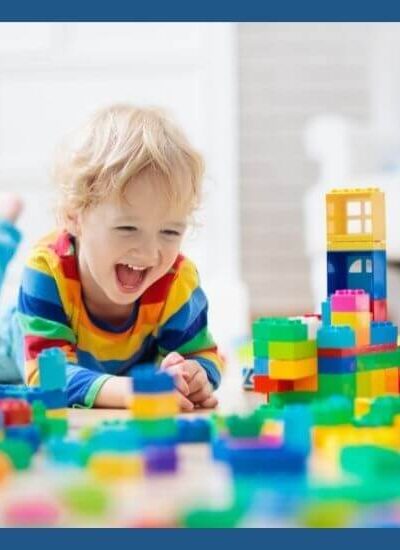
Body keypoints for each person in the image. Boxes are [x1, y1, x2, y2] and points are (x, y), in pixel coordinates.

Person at [16, 105, 224, 409]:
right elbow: (47, 377)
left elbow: (203, 356)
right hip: (14, 342)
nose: (150, 253)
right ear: (74, 217)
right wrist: (132, 392)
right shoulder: (47, 271)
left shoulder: (176, 280)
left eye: (169, 232)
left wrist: (194, 376)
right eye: (128, 227)